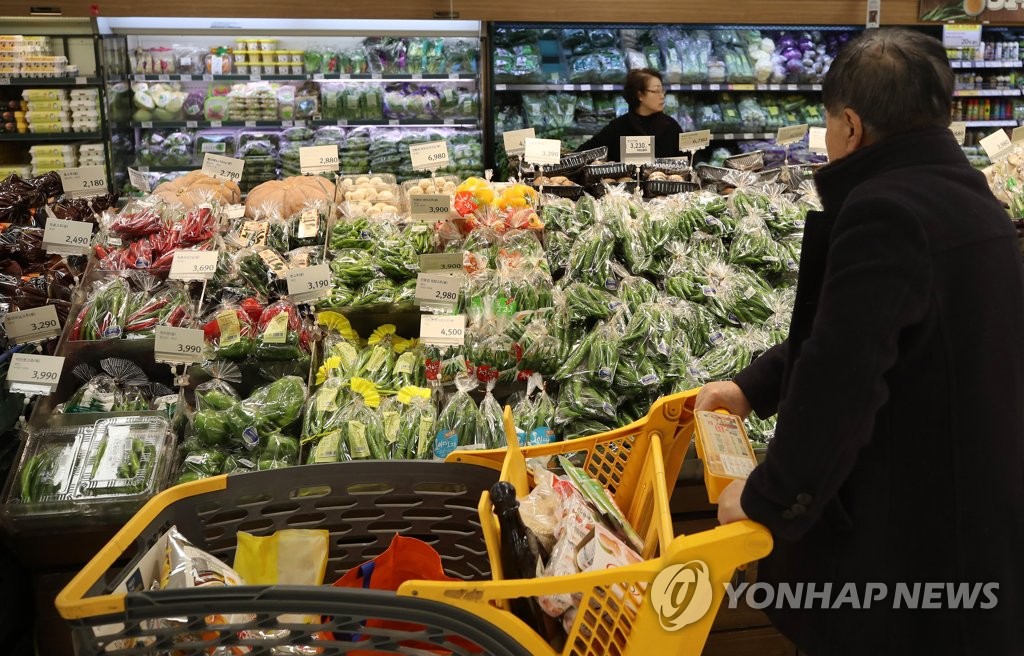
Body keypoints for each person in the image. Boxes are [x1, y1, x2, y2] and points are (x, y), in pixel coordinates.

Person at [695, 28, 1024, 655]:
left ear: (850, 125)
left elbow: (841, 379)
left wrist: (768, 496)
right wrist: (751, 386)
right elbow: (858, 331)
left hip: (902, 541)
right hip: (964, 520)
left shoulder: (885, 211)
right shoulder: (969, 197)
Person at [576, 68, 682, 161]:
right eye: (656, 91)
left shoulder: (671, 127)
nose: (662, 96)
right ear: (640, 95)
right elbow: (583, 153)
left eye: (662, 91)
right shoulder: (617, 128)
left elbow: (688, 159)